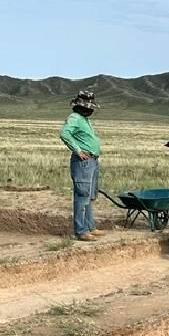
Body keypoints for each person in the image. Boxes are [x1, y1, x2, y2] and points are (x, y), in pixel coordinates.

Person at [60, 90, 103, 242]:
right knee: (82, 196)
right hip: (83, 162)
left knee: (89, 196)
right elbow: (65, 134)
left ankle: (90, 227)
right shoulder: (74, 118)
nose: (91, 110)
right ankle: (81, 231)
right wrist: (78, 151)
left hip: (92, 161)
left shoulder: (84, 120)